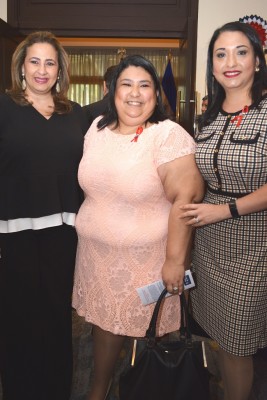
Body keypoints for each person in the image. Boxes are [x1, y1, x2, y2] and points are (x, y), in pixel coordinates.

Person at [72, 54, 204, 400]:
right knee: (105, 326)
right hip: (96, 258)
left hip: (147, 260)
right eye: (126, 84)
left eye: (145, 85)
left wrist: (175, 260)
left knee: (148, 334)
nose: (135, 93)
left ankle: (146, 388)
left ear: (156, 93)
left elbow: (184, 201)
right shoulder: (97, 127)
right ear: (112, 91)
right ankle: (98, 390)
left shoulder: (167, 135)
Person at [180, 21, 267, 400]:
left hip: (254, 242)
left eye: (241, 51)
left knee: (238, 344)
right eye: (220, 53)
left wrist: (226, 210)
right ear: (212, 67)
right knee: (216, 332)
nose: (230, 61)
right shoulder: (207, 118)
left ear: (258, 62)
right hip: (210, 243)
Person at [0, 31, 87, 400]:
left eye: (49, 62)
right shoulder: (4, 108)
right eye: (34, 61)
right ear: (21, 67)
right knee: (17, 317)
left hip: (63, 234)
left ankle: (56, 390)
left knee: (55, 317)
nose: (41, 69)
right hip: (14, 232)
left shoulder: (76, 116)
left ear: (60, 70)